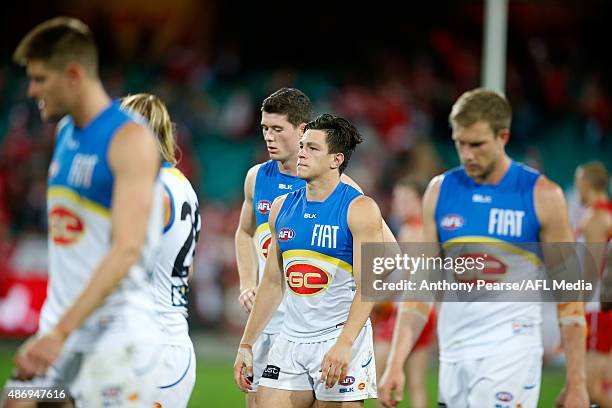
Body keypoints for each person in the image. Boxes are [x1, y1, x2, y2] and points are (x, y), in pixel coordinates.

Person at [378, 88, 589, 408]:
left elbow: (569, 295)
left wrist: (577, 384)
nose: (467, 155)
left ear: (503, 136)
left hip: (512, 352)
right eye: (459, 143)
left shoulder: (543, 196)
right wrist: (395, 362)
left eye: (476, 144)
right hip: (454, 354)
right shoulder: (439, 191)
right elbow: (420, 288)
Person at [4, 17, 163, 407]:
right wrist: (54, 331)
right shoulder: (64, 133)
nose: (32, 89)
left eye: (41, 79)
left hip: (114, 345)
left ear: (73, 74)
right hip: (63, 337)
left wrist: (58, 332)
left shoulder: (129, 139)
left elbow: (126, 250)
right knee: (16, 400)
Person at [234, 88, 395, 407]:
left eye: (277, 129)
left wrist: (346, 319)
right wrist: (246, 339)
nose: (269, 136)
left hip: (334, 330)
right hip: (282, 326)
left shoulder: (352, 200)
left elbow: (386, 261)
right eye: (264, 128)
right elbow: (265, 267)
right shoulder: (270, 192)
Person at [121, 94, 200, 408]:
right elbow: (186, 268)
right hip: (166, 340)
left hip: (152, 350)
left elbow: (124, 260)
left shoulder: (151, 188)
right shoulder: (182, 184)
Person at [372, 176, 435, 408]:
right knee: (417, 384)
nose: (399, 204)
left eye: (405, 199)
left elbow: (405, 279)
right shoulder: (428, 230)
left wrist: (377, 300)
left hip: (404, 312)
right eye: (398, 198)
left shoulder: (412, 231)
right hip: (426, 312)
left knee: (381, 378)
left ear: (420, 201)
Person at [574, 161, 612, 407]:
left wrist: (574, 307)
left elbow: (593, 270)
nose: (578, 189)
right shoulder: (606, 212)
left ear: (586, 183)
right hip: (603, 307)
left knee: (592, 388)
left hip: (598, 308)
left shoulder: (596, 217)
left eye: (579, 183)